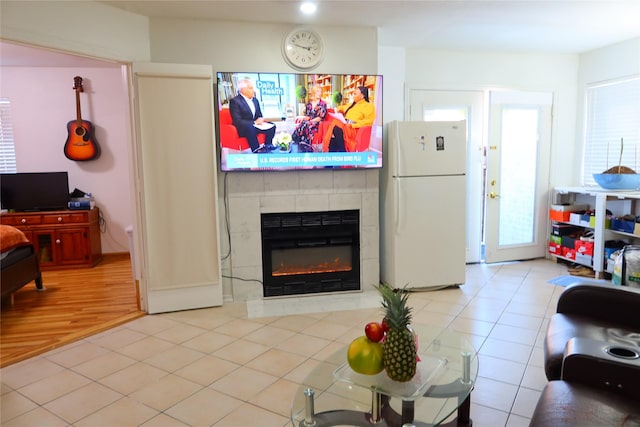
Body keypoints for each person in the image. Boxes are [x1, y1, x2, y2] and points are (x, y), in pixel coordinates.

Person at [229, 77, 276, 153]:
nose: (253, 90)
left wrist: (261, 120)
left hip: (255, 126)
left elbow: (259, 114)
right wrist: (254, 123)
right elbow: (237, 121)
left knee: (272, 125)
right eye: (251, 88)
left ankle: (268, 145)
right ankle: (256, 150)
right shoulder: (235, 101)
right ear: (243, 90)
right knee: (250, 128)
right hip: (243, 128)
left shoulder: (255, 100)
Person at [322, 86, 375, 152]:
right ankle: (335, 155)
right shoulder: (351, 104)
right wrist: (339, 110)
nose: (353, 96)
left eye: (355, 94)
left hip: (354, 129)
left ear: (362, 96)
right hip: (345, 125)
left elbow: (368, 122)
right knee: (335, 128)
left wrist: (353, 125)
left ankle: (342, 151)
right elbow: (342, 107)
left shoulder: (369, 106)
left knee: (336, 128)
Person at [291, 84, 327, 151]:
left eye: (320, 91)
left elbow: (320, 118)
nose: (319, 93)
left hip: (317, 123)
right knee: (303, 122)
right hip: (309, 121)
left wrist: (310, 121)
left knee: (306, 124)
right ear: (314, 92)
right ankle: (299, 142)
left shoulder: (323, 104)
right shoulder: (309, 104)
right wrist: (302, 118)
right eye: (317, 91)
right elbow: (308, 116)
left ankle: (303, 142)